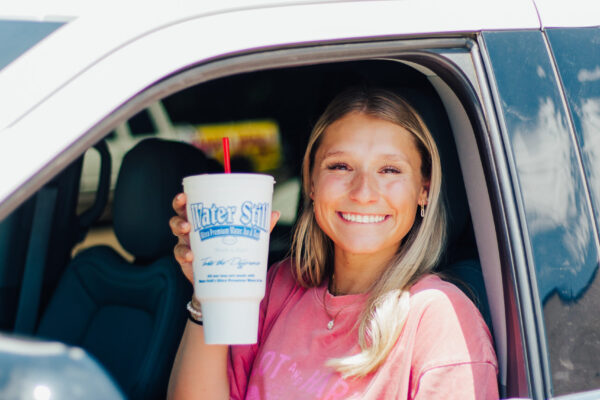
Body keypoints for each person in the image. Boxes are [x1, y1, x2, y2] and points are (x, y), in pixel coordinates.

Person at [167, 87, 499, 399]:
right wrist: (207, 294)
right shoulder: (279, 287)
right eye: (340, 166)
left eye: (389, 170)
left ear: (424, 189)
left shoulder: (440, 318)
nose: (363, 192)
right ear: (311, 182)